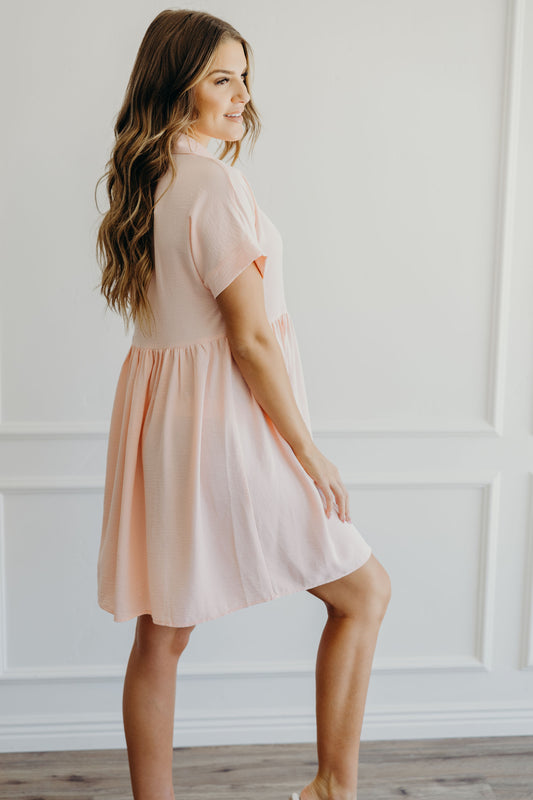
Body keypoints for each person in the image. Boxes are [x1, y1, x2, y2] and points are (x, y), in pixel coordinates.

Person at [95, 8, 391, 800]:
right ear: (176, 87)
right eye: (221, 80)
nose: (241, 97)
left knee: (163, 631)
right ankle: (332, 786)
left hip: (164, 427)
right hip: (229, 426)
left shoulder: (148, 180)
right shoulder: (215, 185)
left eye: (244, 79)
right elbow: (251, 341)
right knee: (364, 592)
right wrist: (309, 453)